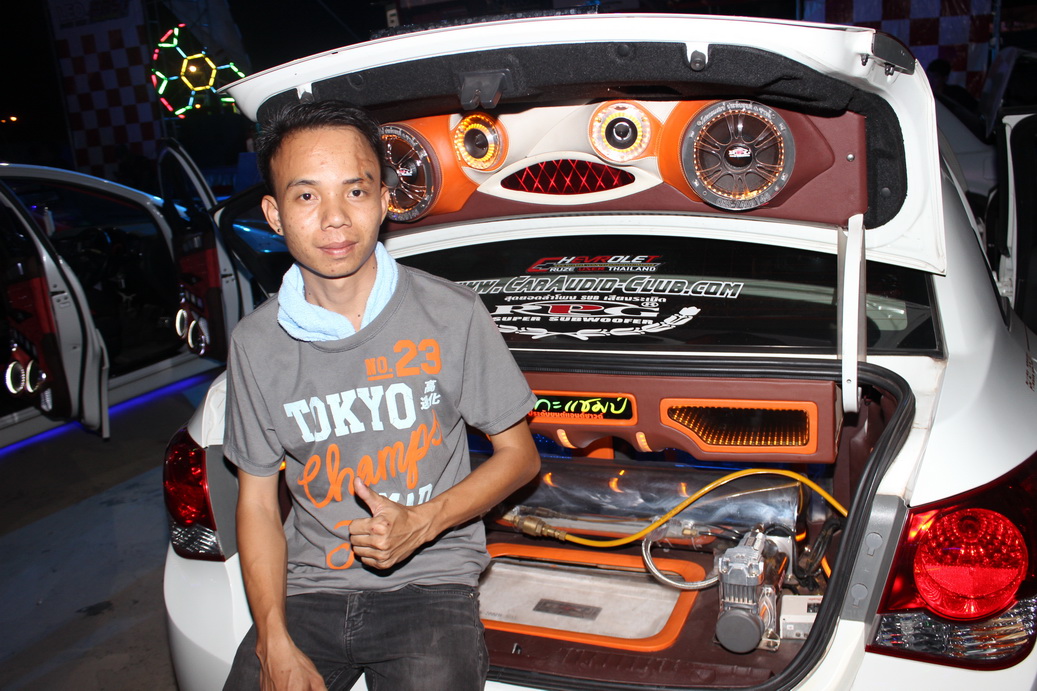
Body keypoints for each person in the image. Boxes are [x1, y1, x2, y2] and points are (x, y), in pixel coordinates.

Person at [222, 100, 540, 691]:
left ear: (385, 200)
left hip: (429, 582)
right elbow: (258, 505)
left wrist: (422, 521)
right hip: (308, 591)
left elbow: (520, 457)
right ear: (274, 214)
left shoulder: (453, 314)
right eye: (306, 195)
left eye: (356, 191)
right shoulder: (255, 344)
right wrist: (272, 639)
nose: (335, 219)